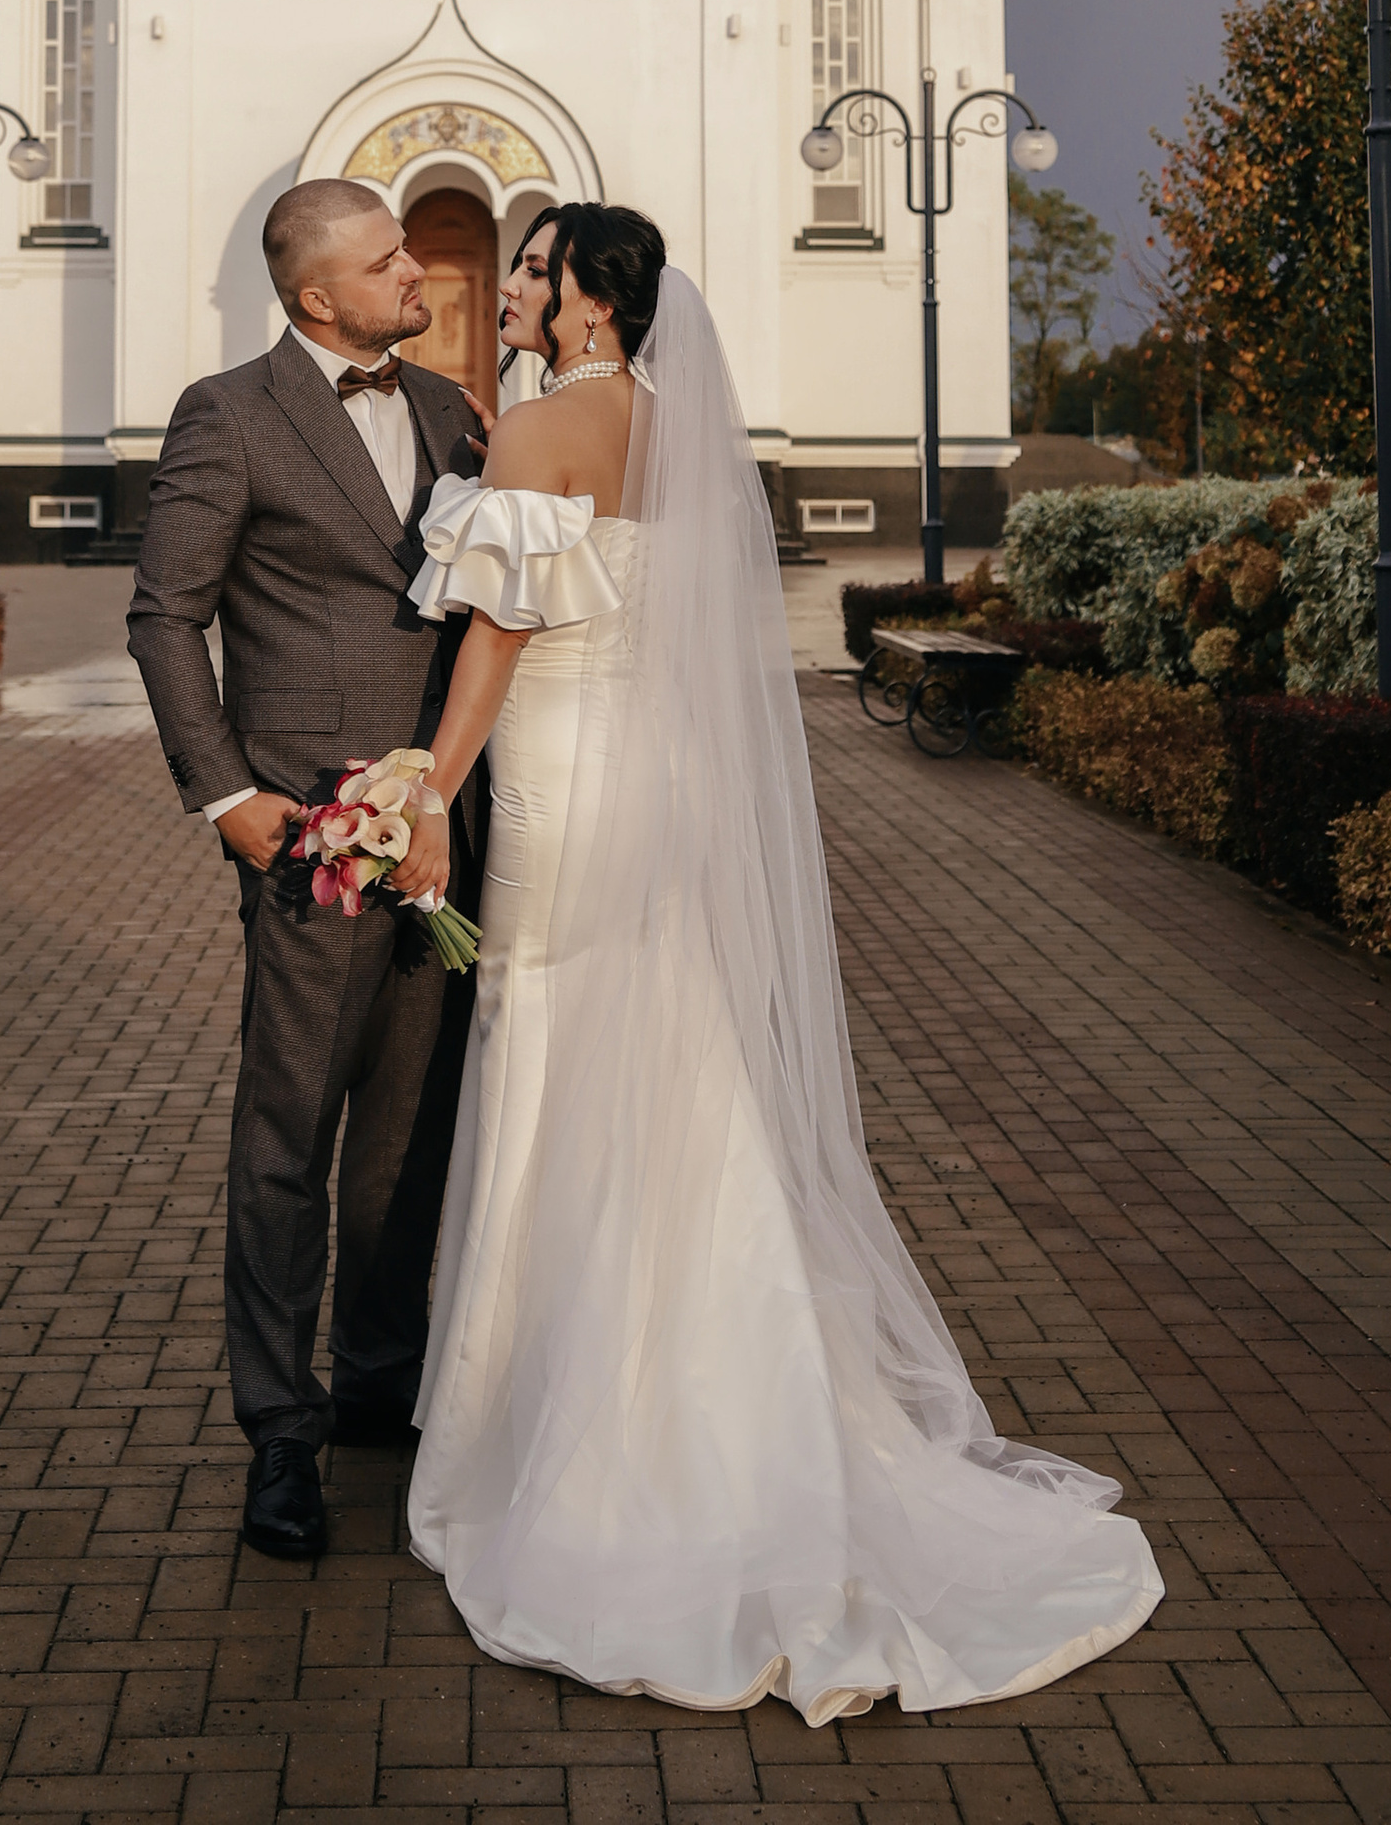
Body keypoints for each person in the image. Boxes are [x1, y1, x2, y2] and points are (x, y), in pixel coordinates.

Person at [384, 204, 1165, 1720]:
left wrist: (426, 782)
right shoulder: (679, 431)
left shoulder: (546, 424)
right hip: (661, 778)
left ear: (595, 301)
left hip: (566, 778)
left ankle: (563, 1420)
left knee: (548, 1035)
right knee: (667, 1042)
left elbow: (498, 634)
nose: (520, 287)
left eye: (539, 270)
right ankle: (745, 1388)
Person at [128, 178, 485, 1568]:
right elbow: (168, 616)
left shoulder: (456, 412)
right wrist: (227, 796)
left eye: (413, 250)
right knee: (290, 1139)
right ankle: (280, 1430)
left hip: (448, 834)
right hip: (308, 841)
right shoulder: (229, 414)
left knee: (410, 1130)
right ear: (316, 294)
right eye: (391, 261)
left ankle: (377, 1394)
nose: (422, 276)